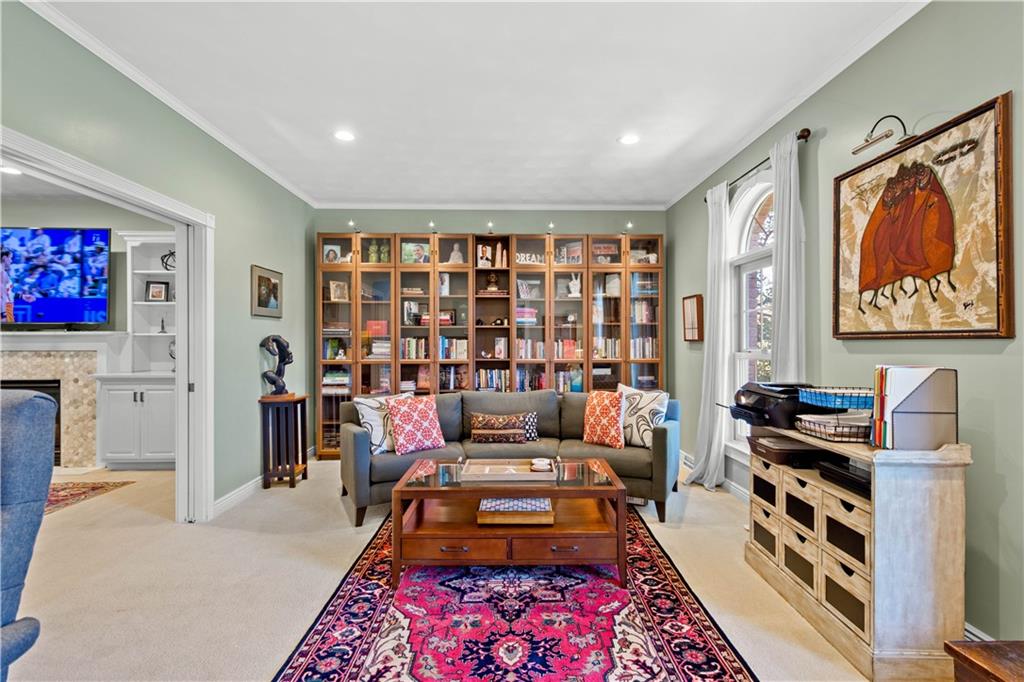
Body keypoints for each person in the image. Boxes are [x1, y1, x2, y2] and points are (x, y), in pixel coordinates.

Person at [1, 249, 13, 322]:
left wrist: (22, 296)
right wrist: (3, 314)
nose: (11, 261)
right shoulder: (2, 273)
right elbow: (2, 296)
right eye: (10, 258)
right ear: (4, 258)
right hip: (5, 308)